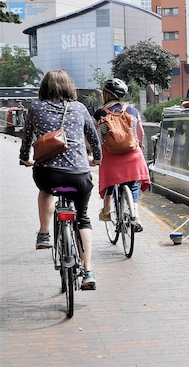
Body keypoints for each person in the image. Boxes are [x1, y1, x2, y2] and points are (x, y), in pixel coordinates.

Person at [19, 69, 102, 290]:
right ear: (69, 87)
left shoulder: (35, 108)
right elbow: (94, 139)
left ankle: (44, 233)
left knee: (46, 190)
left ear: (44, 88)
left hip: (49, 174)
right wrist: (96, 159)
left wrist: (24, 158)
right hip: (79, 176)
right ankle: (88, 271)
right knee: (82, 218)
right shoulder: (80, 108)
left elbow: (27, 137)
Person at [93, 78, 151, 232]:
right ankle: (136, 215)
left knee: (111, 183)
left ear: (106, 94)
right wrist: (140, 144)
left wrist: (93, 153)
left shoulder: (100, 112)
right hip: (132, 155)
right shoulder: (132, 110)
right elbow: (140, 133)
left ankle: (106, 211)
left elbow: (93, 136)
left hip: (110, 156)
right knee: (133, 185)